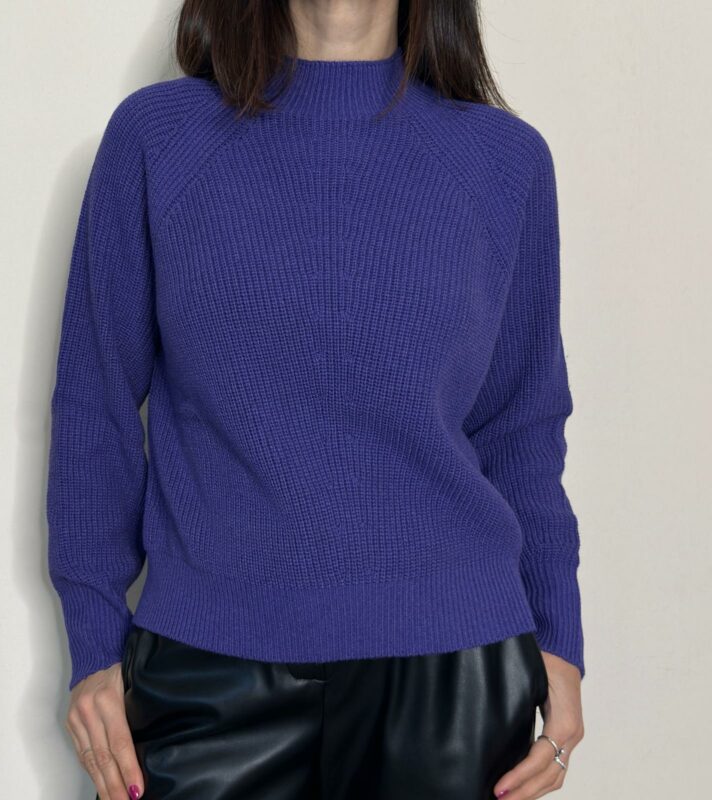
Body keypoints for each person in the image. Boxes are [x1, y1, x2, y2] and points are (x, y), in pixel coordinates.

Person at [46, 0, 586, 797]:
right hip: (206, 670)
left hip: (454, 677)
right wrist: (94, 644)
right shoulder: (159, 138)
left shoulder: (505, 161)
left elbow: (521, 429)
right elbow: (96, 405)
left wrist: (560, 638)